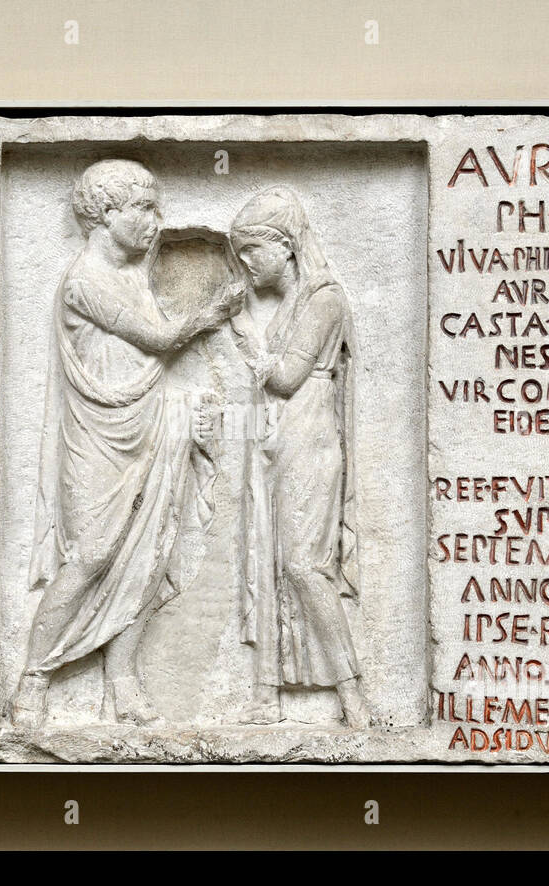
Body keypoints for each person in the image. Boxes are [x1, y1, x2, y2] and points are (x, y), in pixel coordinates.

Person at [11, 159, 243, 729]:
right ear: (107, 213)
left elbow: (156, 356)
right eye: (144, 208)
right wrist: (216, 311)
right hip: (100, 437)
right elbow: (160, 339)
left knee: (152, 548)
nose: (155, 221)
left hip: (156, 424)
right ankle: (34, 675)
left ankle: (122, 681)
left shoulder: (135, 272)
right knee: (92, 554)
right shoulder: (85, 279)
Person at [227, 186, 369, 728]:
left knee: (305, 567)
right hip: (276, 444)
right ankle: (266, 694)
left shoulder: (323, 298)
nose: (245, 263)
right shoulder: (292, 302)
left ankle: (353, 694)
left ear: (285, 246)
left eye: (252, 250)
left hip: (309, 444)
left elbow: (285, 377)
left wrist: (242, 334)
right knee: (268, 560)